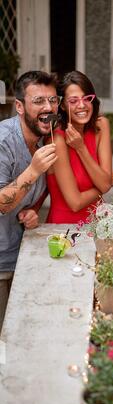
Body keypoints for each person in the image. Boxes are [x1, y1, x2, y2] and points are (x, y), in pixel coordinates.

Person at [0, 71, 58, 329]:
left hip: (23, 256)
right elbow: (1, 203)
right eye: (39, 101)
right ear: (20, 106)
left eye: (53, 100)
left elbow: (32, 195)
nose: (48, 108)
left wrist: (31, 210)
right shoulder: (3, 141)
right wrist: (33, 170)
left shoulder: (46, 138)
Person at [46, 70, 113, 224]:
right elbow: (75, 203)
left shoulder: (101, 125)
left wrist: (81, 148)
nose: (82, 105)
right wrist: (104, 186)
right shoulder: (57, 140)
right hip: (64, 229)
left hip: (99, 224)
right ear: (63, 105)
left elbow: (104, 183)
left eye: (87, 98)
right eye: (73, 101)